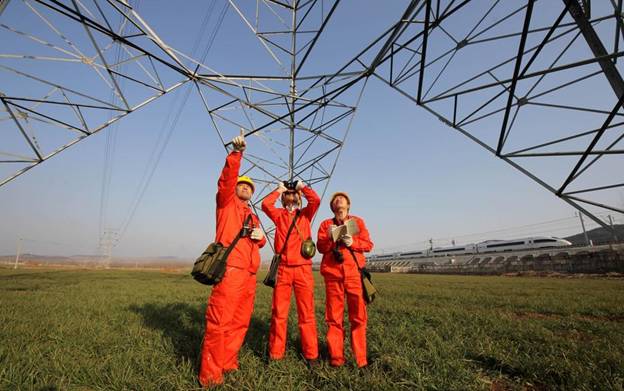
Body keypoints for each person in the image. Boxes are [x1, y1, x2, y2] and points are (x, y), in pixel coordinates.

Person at [198, 133, 267, 387]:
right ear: (236, 188)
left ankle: (229, 362)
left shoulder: (251, 215)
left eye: (249, 187)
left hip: (249, 275)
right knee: (220, 322)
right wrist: (236, 154)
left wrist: (260, 239)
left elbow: (258, 242)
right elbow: (226, 180)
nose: (245, 188)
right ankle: (210, 375)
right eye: (242, 185)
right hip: (230, 272)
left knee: (239, 322)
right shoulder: (226, 203)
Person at [261, 179, 321, 364]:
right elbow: (265, 204)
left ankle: (311, 355)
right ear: (283, 198)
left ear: (299, 197)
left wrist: (301, 186)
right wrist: (279, 189)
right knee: (279, 314)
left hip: (303, 269)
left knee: (307, 313)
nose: (290, 195)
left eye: (293, 193)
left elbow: (316, 200)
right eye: (287, 194)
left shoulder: (305, 215)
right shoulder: (278, 215)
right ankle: (276, 354)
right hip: (284, 269)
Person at [316, 191, 373, 368]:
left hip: (354, 275)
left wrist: (352, 243)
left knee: (358, 318)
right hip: (333, 276)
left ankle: (361, 360)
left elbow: (369, 245)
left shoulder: (357, 222)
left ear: (348, 205)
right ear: (332, 207)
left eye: (342, 198)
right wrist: (331, 239)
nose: (339, 200)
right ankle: (336, 359)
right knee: (334, 318)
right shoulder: (326, 224)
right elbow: (320, 247)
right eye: (335, 199)